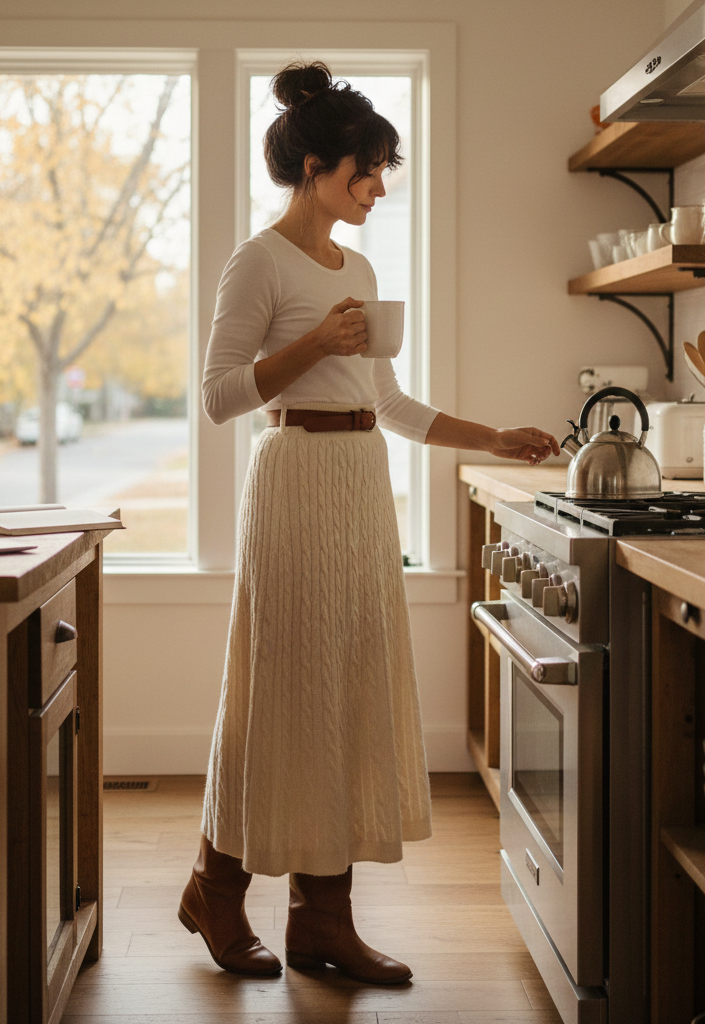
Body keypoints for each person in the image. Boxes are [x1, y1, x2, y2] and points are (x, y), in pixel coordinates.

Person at [179, 60, 560, 986]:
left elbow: (385, 399)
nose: (380, 187)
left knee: (343, 691)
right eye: (369, 170)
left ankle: (320, 921)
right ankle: (217, 888)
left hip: (358, 484)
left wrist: (494, 438)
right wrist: (314, 342)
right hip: (292, 478)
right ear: (317, 164)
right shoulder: (257, 260)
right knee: (285, 688)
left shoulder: (362, 265)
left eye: (385, 171)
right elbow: (219, 397)